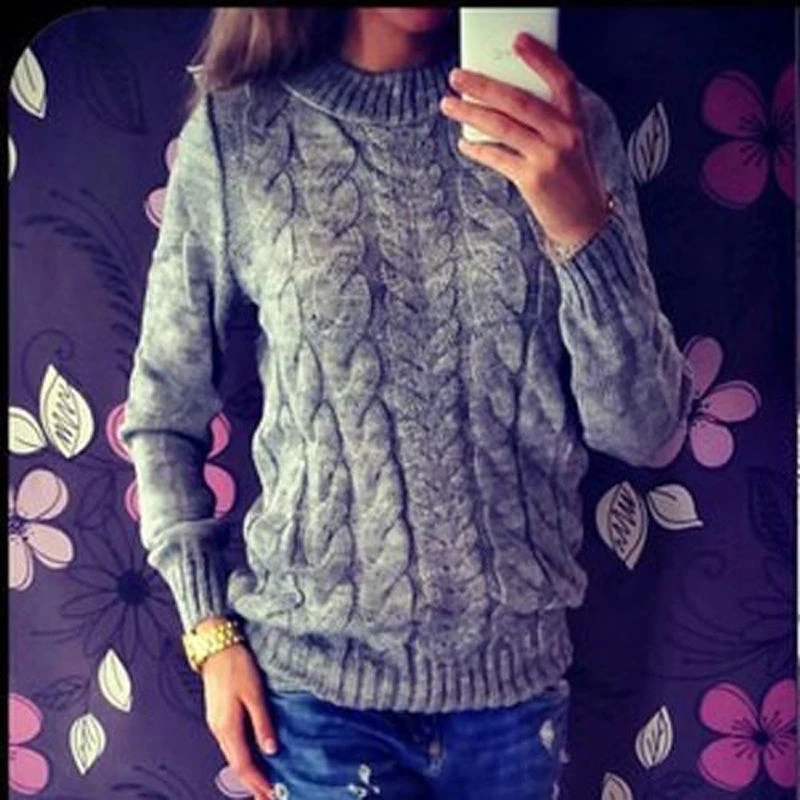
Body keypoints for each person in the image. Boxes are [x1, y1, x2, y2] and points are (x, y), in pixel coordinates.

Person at [119, 7, 694, 800]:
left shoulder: (565, 128)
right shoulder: (240, 132)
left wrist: (582, 228)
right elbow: (162, 413)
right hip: (314, 700)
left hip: (514, 699)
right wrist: (209, 635)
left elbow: (644, 430)